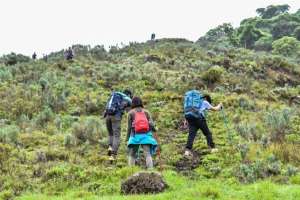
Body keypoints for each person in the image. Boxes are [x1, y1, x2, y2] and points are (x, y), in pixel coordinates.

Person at [184, 90, 222, 156]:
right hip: (200, 119)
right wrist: (220, 106)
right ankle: (213, 148)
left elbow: (188, 111)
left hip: (191, 119)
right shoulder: (204, 102)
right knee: (207, 133)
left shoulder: (190, 103)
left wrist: (186, 120)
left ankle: (187, 151)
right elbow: (215, 109)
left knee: (191, 135)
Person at [127, 96, 157, 169]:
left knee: (132, 154)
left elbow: (129, 127)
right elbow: (151, 124)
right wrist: (155, 129)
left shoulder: (130, 113)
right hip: (146, 135)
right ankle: (151, 170)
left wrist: (127, 138)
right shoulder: (146, 112)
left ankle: (131, 171)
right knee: (147, 154)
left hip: (134, 136)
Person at [104, 89, 133, 161]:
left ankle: (110, 147)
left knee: (110, 134)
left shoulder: (115, 95)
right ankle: (113, 155)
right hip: (116, 117)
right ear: (129, 94)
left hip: (108, 116)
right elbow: (129, 112)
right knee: (117, 136)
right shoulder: (126, 99)